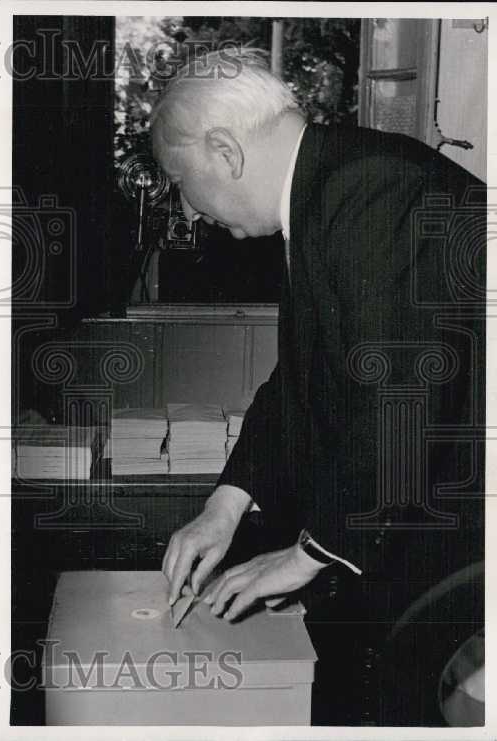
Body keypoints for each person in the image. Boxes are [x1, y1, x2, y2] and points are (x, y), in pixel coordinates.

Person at [155, 48, 483, 724]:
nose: (188, 211)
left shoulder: (371, 191)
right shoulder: (331, 186)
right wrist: (225, 503)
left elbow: (401, 398)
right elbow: (304, 377)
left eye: (180, 182)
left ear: (224, 150)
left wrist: (310, 554)